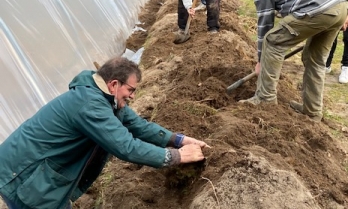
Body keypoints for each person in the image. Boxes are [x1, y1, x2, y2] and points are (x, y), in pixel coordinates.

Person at [0, 57, 208, 209]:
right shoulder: (90, 104)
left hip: (39, 176)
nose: (133, 96)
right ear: (114, 84)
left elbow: (139, 126)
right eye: (131, 90)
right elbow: (126, 146)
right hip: (18, 178)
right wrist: (176, 156)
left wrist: (179, 140)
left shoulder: (107, 100)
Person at [236, 0, 348, 122]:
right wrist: (341, 11)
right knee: (314, 58)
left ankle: (265, 98)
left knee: (272, 40)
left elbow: (265, 26)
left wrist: (261, 61)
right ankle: (312, 111)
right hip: (339, 5)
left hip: (319, 8)